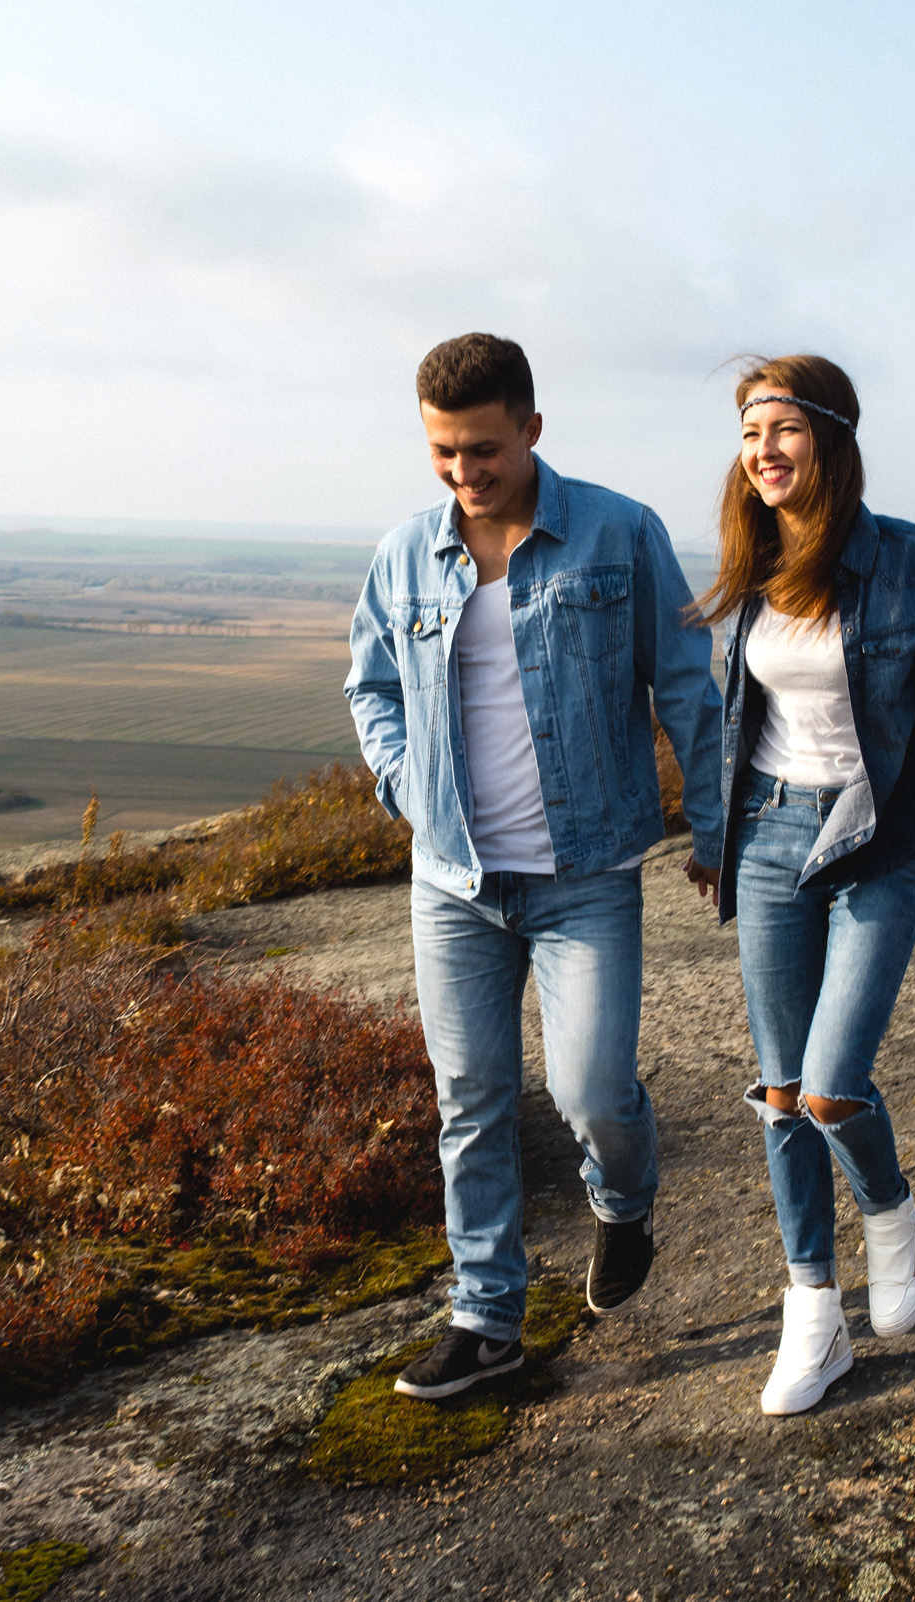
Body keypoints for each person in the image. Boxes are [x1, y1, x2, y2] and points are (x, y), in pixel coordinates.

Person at [346, 332, 725, 1400]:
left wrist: (713, 829)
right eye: (442, 452)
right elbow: (370, 688)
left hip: (585, 873)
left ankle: (623, 1197)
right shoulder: (405, 554)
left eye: (482, 450)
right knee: (471, 1097)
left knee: (590, 1088)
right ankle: (487, 1320)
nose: (464, 473)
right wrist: (403, 786)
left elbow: (689, 687)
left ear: (531, 430)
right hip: (455, 880)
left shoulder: (617, 533)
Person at [684, 353, 915, 1417]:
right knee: (780, 1098)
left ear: (829, 437)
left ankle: (892, 1209)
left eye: (780, 431)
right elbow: (734, 721)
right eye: (746, 437)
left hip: (878, 842)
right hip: (770, 836)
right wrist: (715, 838)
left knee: (829, 1085)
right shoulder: (750, 561)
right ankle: (813, 1316)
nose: (762, 454)